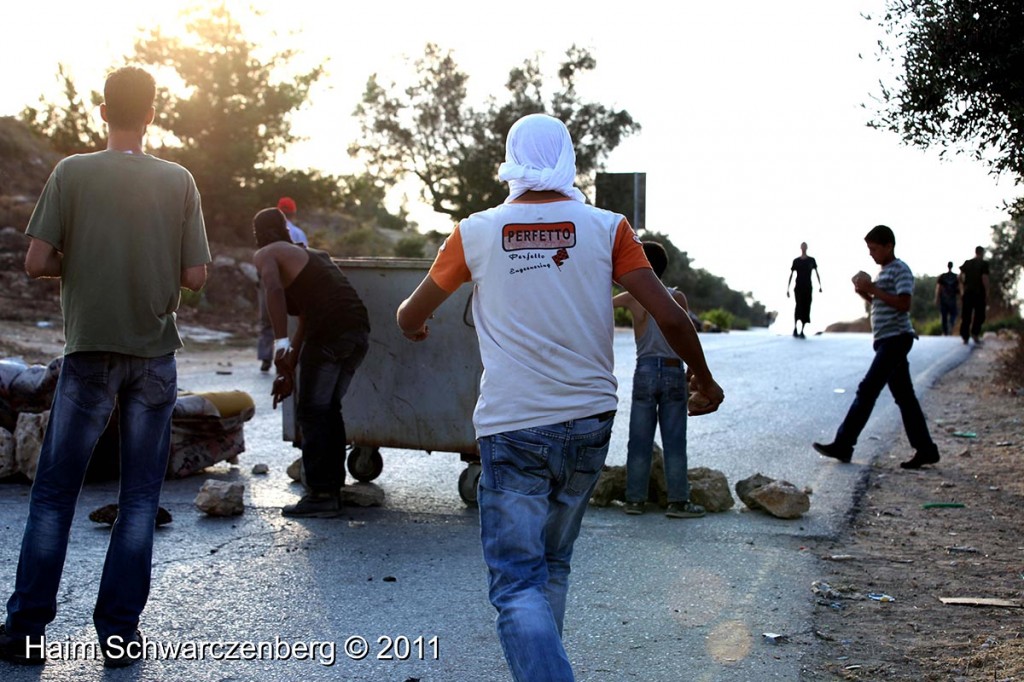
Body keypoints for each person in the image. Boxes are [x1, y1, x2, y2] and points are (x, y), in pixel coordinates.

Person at [396, 113, 723, 682]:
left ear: (511, 158)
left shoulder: (474, 231)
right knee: (552, 565)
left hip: (513, 426)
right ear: (567, 158)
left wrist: (418, 327)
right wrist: (704, 377)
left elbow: (408, 314)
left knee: (516, 582)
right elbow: (671, 311)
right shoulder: (608, 228)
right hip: (588, 422)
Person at [1, 66, 210, 668]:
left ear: (101, 111)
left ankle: (25, 633)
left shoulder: (72, 172)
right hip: (153, 359)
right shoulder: (179, 181)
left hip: (88, 352)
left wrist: (85, 256)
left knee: (54, 494)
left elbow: (36, 260)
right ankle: (119, 635)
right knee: (139, 499)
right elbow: (196, 277)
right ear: (150, 115)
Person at [252, 207, 369, 518]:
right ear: (287, 229)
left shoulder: (266, 253)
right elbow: (305, 315)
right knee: (326, 409)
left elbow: (273, 291)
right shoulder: (316, 255)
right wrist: (290, 359)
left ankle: (321, 495)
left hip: (330, 333)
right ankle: (331, 489)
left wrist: (279, 344)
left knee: (313, 412)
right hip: (357, 333)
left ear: (258, 236)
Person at [813, 225, 939, 470]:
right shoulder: (883, 273)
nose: (871, 254)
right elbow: (883, 302)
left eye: (874, 249)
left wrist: (872, 289)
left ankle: (844, 443)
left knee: (867, 390)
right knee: (905, 397)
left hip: (896, 338)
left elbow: (904, 304)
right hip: (887, 339)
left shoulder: (900, 270)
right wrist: (865, 293)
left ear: (888, 246)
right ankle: (926, 449)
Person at [613, 242, 705, 519]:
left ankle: (635, 500)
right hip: (673, 370)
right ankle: (678, 501)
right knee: (675, 440)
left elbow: (600, 306)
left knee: (639, 440)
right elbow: (687, 332)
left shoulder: (631, 297)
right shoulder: (677, 297)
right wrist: (695, 369)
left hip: (645, 372)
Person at [256, 198, 309, 371]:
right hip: (294, 283)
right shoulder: (299, 234)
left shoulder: (265, 246)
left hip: (273, 280)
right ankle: (289, 356)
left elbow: (273, 287)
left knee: (267, 320)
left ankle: (269, 357)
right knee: (293, 320)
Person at [786, 241, 822, 338]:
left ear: (807, 248)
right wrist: (788, 289)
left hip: (808, 287)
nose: (804, 248)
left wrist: (820, 285)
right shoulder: (796, 261)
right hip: (798, 287)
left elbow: (816, 273)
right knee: (798, 307)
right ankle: (795, 328)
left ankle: (802, 330)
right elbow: (791, 275)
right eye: (802, 246)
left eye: (805, 246)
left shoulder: (811, 260)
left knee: (806, 308)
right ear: (800, 248)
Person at [958, 246, 989, 345]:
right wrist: (987, 292)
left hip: (967, 293)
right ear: (982, 253)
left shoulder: (967, 263)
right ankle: (975, 334)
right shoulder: (984, 264)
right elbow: (985, 278)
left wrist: (963, 288)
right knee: (979, 315)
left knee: (966, 315)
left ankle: (965, 337)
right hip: (979, 293)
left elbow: (959, 277)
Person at [934, 261, 960, 336]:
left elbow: (939, 288)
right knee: (953, 315)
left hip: (944, 299)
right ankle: (950, 327)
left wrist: (937, 298)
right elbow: (959, 288)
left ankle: (946, 332)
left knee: (944, 317)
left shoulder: (943, 276)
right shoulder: (955, 276)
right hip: (952, 299)